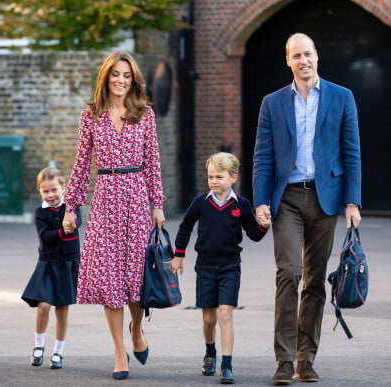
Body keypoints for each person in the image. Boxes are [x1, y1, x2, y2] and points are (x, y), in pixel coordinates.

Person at [253, 33, 362, 385]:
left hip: (325, 199)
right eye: (297, 55)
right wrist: (260, 201)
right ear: (288, 60)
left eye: (309, 53)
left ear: (317, 56)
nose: (304, 60)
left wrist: (352, 201)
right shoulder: (272, 103)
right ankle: (284, 360)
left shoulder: (342, 98)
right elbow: (262, 158)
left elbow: (352, 153)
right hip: (286, 199)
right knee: (288, 273)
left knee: (314, 280)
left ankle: (306, 358)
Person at [61, 52, 166, 380]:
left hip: (136, 197)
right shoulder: (90, 115)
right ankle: (119, 352)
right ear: (105, 77)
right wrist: (70, 207)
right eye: (115, 75)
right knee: (110, 281)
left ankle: (137, 331)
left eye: (127, 76)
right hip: (105, 198)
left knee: (135, 277)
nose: (121, 80)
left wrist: (157, 203)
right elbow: (81, 164)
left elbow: (153, 161)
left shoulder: (144, 114)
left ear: (133, 80)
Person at [170, 152, 271, 385]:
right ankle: (210, 352)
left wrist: (264, 226)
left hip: (230, 267)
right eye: (210, 177)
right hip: (204, 267)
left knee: (226, 313)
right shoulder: (200, 202)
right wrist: (179, 256)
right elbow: (185, 228)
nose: (214, 181)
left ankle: (227, 365)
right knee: (208, 319)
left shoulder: (241, 205)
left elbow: (254, 235)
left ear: (233, 177)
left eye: (219, 176)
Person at [21, 167, 82, 370]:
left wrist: (70, 222)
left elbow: (76, 223)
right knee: (44, 305)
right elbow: (45, 237)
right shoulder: (40, 212)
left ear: (63, 188)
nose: (51, 195)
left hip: (68, 263)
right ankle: (38, 346)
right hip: (47, 263)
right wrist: (62, 231)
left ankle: (58, 351)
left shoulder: (71, 207)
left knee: (62, 308)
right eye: (45, 191)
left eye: (54, 190)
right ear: (40, 192)